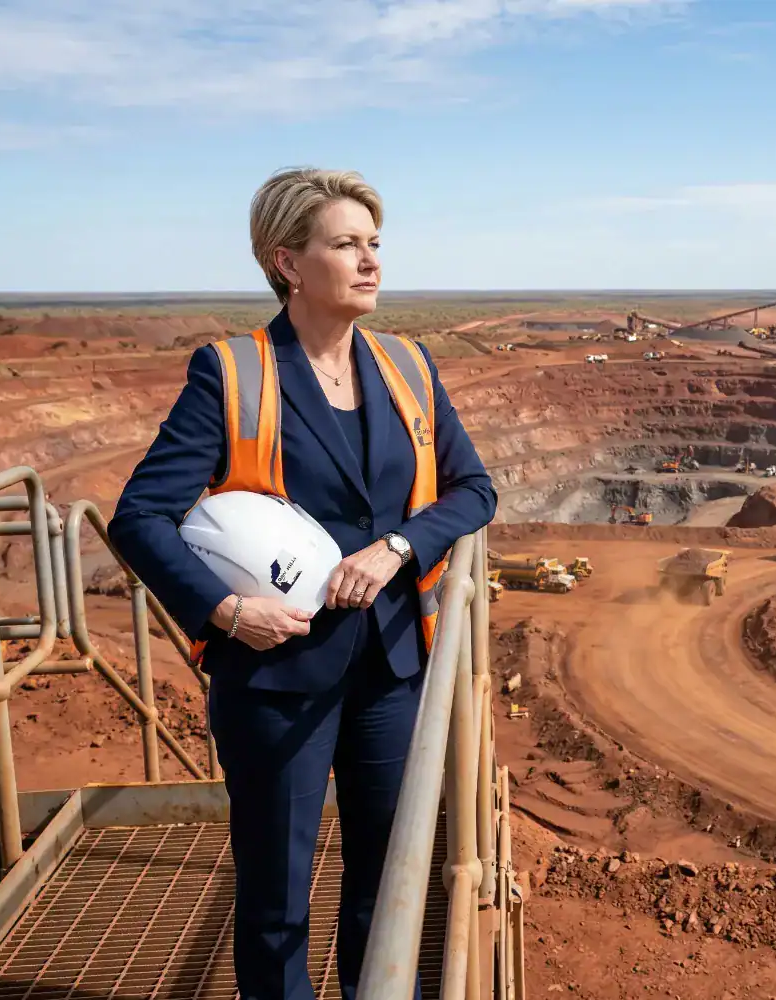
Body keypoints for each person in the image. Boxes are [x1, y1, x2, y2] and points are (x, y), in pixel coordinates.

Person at [109, 167, 497, 1000]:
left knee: (389, 884)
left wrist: (397, 545)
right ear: (287, 262)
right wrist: (224, 610)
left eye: (374, 244)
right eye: (346, 244)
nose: (371, 261)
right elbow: (138, 516)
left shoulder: (408, 366)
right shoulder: (232, 373)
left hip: (393, 668)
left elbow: (475, 489)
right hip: (273, 675)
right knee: (279, 901)